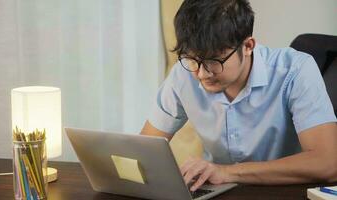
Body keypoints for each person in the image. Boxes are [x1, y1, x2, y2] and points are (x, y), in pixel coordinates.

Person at [141, 0, 337, 192]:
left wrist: (228, 172)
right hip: (217, 191)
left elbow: (328, 163)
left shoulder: (295, 69)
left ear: (248, 46)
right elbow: (143, 150)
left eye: (214, 60)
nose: (201, 73)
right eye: (193, 59)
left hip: (283, 192)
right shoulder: (183, 74)